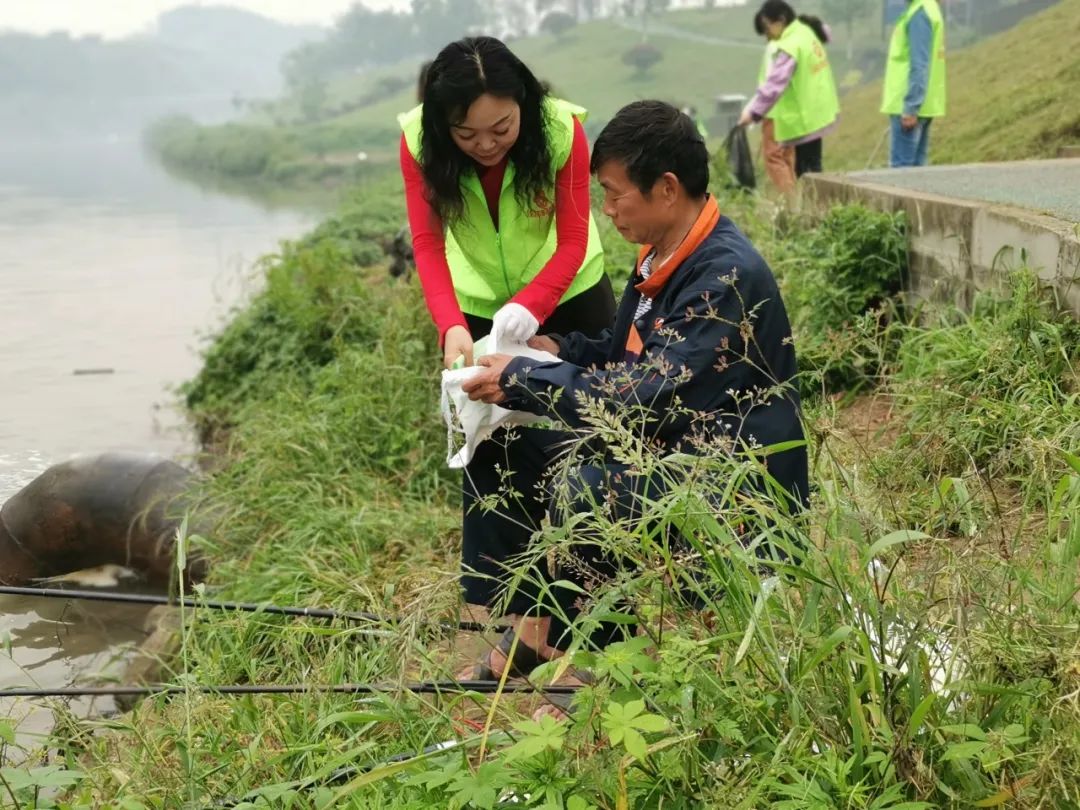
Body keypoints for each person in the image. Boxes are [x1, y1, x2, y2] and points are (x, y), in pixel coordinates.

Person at [461, 101, 808, 693]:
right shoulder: (661, 254)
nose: (608, 210)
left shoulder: (721, 274)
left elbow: (642, 394)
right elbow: (623, 353)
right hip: (665, 445)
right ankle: (534, 627)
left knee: (586, 488)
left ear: (666, 188)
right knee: (504, 442)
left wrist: (523, 377)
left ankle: (598, 665)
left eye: (615, 195)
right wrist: (552, 347)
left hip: (732, 483)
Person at [398, 36, 616, 673]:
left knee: (586, 459)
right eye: (467, 135)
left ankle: (590, 643)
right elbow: (427, 242)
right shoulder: (417, 141)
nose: (487, 144)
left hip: (570, 299)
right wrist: (449, 326)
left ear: (523, 103)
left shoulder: (561, 130)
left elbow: (573, 238)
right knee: (494, 462)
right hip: (476, 314)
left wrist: (531, 309)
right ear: (444, 125)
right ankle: (524, 637)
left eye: (501, 128)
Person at [738, 1, 839, 178]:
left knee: (807, 171)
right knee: (811, 165)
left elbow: (775, 84)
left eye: (767, 27)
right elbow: (826, 34)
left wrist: (754, 113)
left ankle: (810, 205)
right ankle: (813, 204)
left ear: (781, 21)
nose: (768, 34)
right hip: (819, 110)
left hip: (806, 116)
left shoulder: (790, 45)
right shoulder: (805, 31)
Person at [881, 0, 946, 168]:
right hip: (922, 103)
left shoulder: (919, 13)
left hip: (908, 104)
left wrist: (911, 107)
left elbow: (919, 64)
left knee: (902, 171)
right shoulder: (925, 8)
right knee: (916, 172)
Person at [751, 10, 796, 193]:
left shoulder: (775, 48)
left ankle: (790, 201)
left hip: (775, 112)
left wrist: (756, 110)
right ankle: (796, 198)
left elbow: (772, 83)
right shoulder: (791, 45)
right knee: (787, 157)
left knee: (774, 157)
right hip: (791, 112)